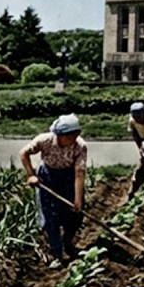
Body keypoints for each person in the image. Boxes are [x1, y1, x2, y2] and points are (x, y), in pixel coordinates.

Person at [19, 114, 87, 269]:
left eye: (74, 136)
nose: (70, 140)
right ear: (58, 135)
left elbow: (79, 173)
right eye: (67, 137)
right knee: (51, 218)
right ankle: (57, 254)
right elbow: (24, 153)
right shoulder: (45, 140)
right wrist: (31, 175)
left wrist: (77, 200)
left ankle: (68, 243)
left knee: (74, 215)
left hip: (69, 179)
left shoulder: (80, 146)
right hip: (48, 178)